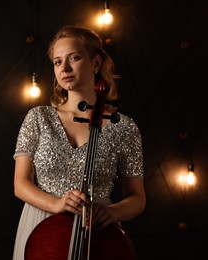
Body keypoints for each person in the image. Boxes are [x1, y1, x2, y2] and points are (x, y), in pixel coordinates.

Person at [12, 25, 146, 259]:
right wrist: (56, 204)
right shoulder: (38, 118)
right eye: (57, 61)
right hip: (42, 227)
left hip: (96, 233)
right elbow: (20, 184)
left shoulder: (123, 127)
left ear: (95, 64)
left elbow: (137, 197)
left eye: (74, 58)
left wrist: (112, 211)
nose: (64, 68)